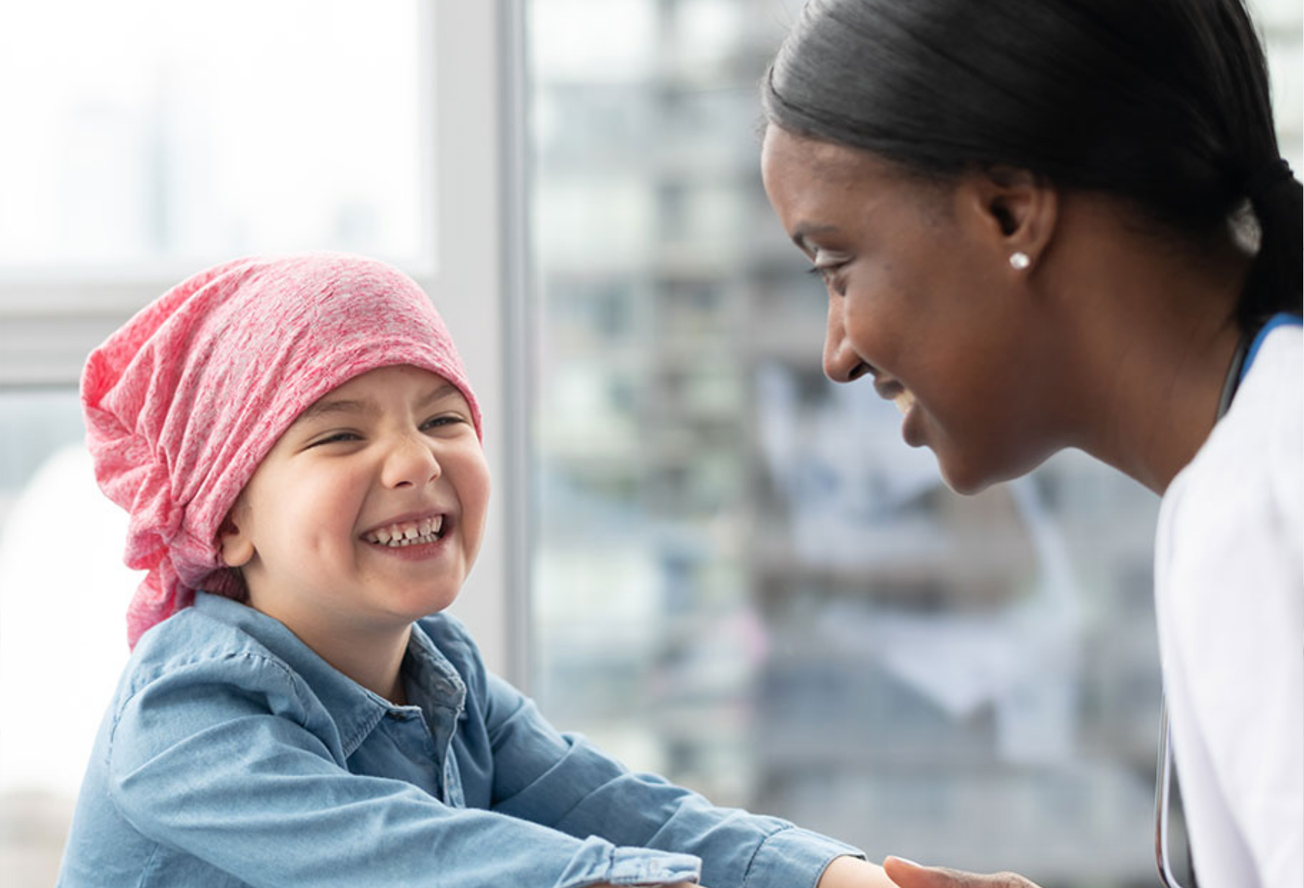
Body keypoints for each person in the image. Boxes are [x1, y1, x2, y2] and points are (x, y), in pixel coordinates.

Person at [56, 253, 895, 888]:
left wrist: (839, 878)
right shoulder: (184, 718)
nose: (416, 461)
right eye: (341, 435)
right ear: (228, 520)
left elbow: (613, 803)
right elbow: (418, 856)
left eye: (444, 418)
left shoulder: (443, 674)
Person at [758, 2, 1301, 888]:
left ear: (1009, 212)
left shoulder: (1260, 511)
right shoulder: (1250, 466)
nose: (838, 355)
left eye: (837, 266)